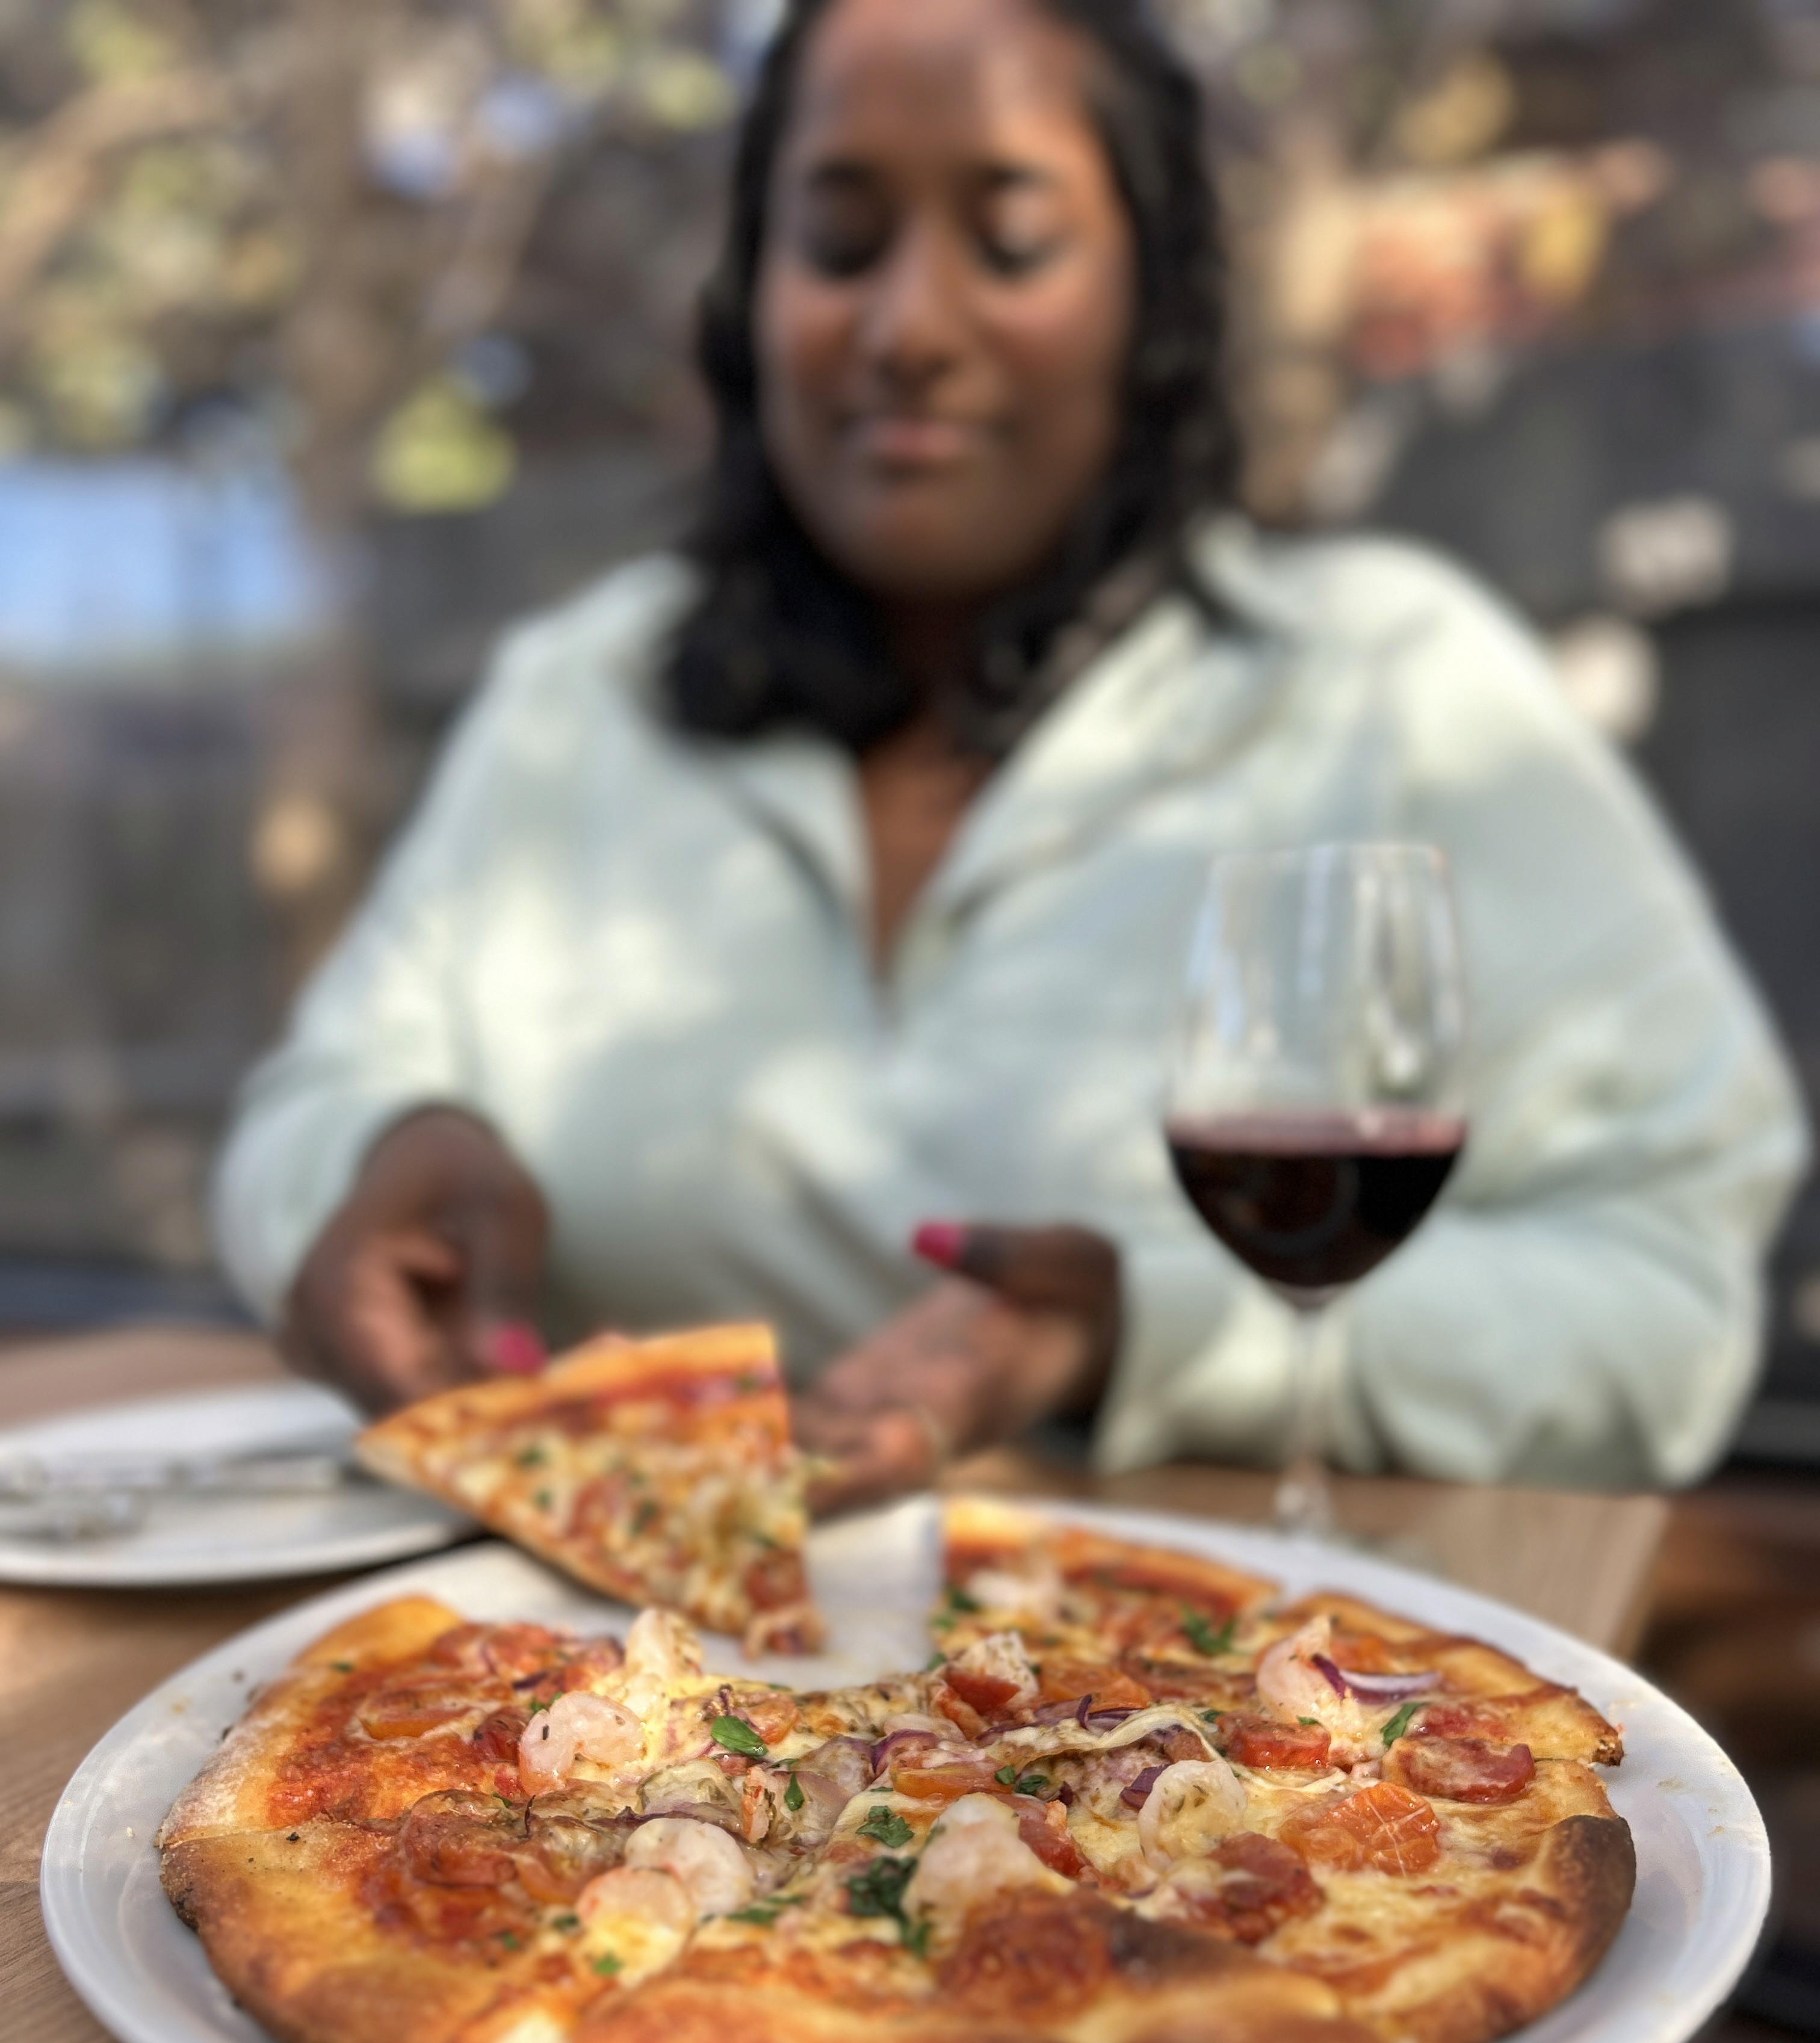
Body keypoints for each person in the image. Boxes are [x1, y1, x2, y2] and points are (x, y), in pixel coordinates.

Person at [217, 0, 1807, 1505]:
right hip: (566, 1713)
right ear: (752, 299)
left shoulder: (1396, 685)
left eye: (1014, 239)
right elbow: (314, 1108)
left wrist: (1144, 1328)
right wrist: (378, 1165)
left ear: (1154, 304)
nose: (910, 324)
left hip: (1189, 1730)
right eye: (839, 242)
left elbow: (1663, 1296)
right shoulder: (580, 697)